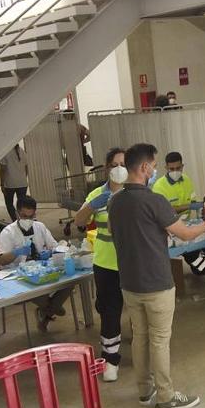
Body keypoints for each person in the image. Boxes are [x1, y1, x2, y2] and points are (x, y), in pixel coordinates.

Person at [109, 143, 205, 408]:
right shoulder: (154, 200)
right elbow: (186, 234)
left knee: (141, 337)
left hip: (129, 283)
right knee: (159, 339)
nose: (155, 171)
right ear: (144, 168)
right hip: (156, 281)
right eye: (154, 166)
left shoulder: (115, 201)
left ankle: (145, 390)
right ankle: (166, 396)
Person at [73, 147, 127, 382]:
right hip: (106, 263)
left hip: (132, 261)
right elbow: (79, 222)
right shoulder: (97, 194)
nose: (119, 169)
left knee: (139, 309)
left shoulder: (134, 192)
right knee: (110, 311)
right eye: (114, 165)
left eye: (123, 164)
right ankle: (110, 358)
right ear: (107, 169)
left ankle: (144, 355)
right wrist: (92, 205)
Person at [0, 195, 73, 332]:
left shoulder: (40, 227)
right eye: (24, 216)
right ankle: (52, 308)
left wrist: (51, 252)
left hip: (42, 270)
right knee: (39, 293)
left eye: (31, 217)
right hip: (19, 276)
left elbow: (55, 246)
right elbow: (1, 260)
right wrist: (16, 252)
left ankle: (47, 310)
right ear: (17, 213)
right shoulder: (8, 233)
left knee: (69, 282)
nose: (28, 220)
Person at [152, 150, 205, 287]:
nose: (175, 171)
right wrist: (189, 206)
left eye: (178, 168)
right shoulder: (159, 187)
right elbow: (166, 211)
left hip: (189, 223)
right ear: (166, 168)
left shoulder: (186, 180)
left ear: (182, 166)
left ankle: (201, 265)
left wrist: (203, 208)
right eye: (171, 169)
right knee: (189, 250)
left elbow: (193, 201)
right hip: (170, 227)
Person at [0, 143, 29, 222]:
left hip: (9, 184)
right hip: (22, 183)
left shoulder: (6, 152)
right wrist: (23, 178)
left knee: (9, 204)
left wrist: (2, 184)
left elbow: (3, 169)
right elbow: (26, 167)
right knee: (21, 204)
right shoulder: (22, 151)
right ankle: (24, 220)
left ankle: (16, 221)